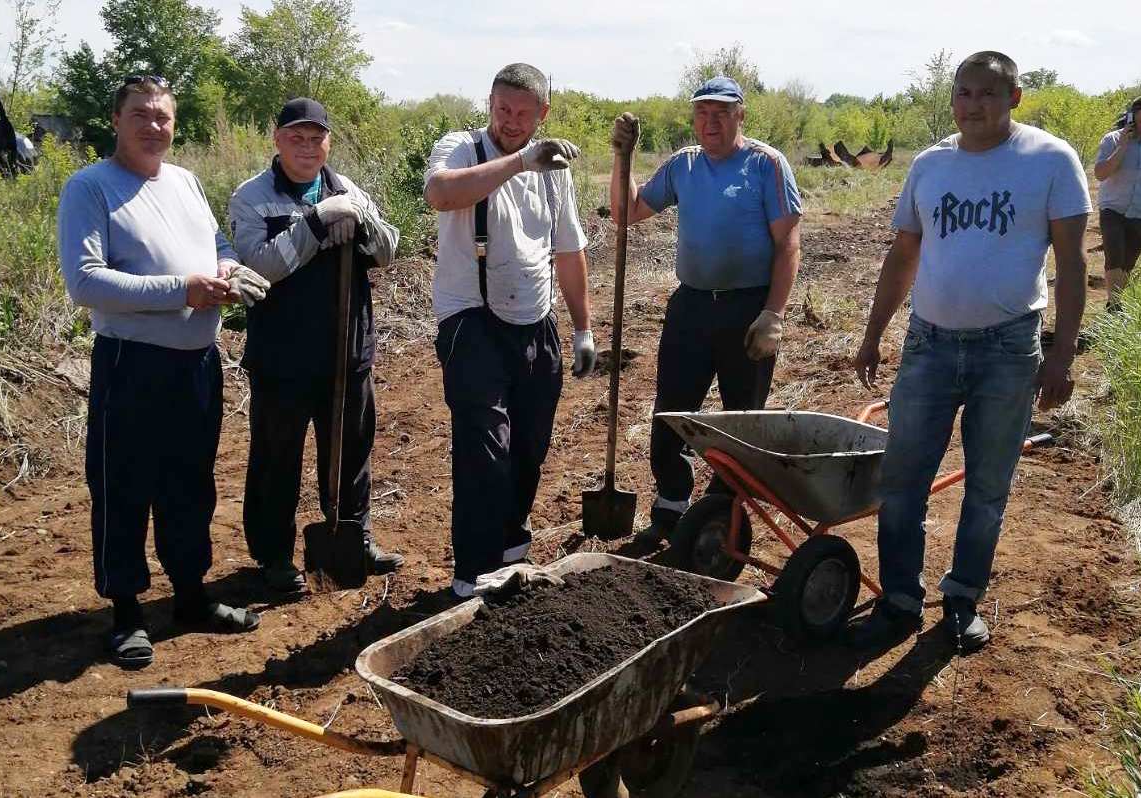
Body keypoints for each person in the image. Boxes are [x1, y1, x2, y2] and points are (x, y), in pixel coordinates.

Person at [851, 51, 1091, 652]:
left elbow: (1071, 262)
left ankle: (961, 599)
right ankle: (901, 599)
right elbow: (903, 254)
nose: (972, 105)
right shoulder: (931, 165)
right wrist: (875, 331)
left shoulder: (1050, 160)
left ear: (1014, 98)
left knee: (987, 485)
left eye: (987, 93)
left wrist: (1060, 355)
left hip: (1008, 347)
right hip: (929, 343)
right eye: (963, 92)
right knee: (903, 479)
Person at [57, 75, 265, 668]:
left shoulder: (185, 182)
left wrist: (227, 266)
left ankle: (192, 596)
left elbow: (217, 239)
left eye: (163, 117)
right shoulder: (90, 187)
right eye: (141, 115)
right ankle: (125, 611)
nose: (154, 126)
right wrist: (184, 288)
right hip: (132, 364)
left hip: (197, 362)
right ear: (116, 120)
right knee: (123, 486)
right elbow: (85, 280)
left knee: (190, 482)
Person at [424, 63, 596, 598]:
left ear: (543, 113)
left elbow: (568, 250)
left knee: (529, 445)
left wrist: (583, 328)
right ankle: (469, 581)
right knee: (484, 451)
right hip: (470, 318)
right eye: (503, 109)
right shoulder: (462, 147)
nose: (512, 121)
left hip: (535, 320)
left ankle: (509, 556)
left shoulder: (555, 168)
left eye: (525, 113)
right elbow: (440, 194)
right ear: (490, 103)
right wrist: (518, 162)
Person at [608, 76, 803, 544]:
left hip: (748, 308)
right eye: (701, 114)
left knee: (742, 416)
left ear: (741, 115)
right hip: (691, 306)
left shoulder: (766, 165)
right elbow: (625, 212)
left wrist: (773, 314)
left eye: (720, 113)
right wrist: (621, 158)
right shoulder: (683, 166)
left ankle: (723, 509)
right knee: (672, 408)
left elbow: (788, 243)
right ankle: (672, 501)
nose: (709, 123)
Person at [228, 97, 404, 593]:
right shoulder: (252, 198)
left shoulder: (348, 189)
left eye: (317, 138)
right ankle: (273, 556)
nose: (308, 147)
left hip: (347, 354)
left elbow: (389, 250)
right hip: (282, 359)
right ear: (277, 139)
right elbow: (257, 268)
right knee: (275, 459)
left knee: (351, 453)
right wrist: (315, 224)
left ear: (328, 142)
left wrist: (363, 226)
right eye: (297, 138)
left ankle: (354, 538)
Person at [1094, 96, 1141, 309]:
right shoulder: (1112, 139)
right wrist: (1123, 146)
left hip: (1138, 212)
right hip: (1113, 208)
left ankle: (1117, 303)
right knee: (1114, 257)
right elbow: (1101, 174)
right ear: (1133, 115)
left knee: (1127, 264)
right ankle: (1114, 306)